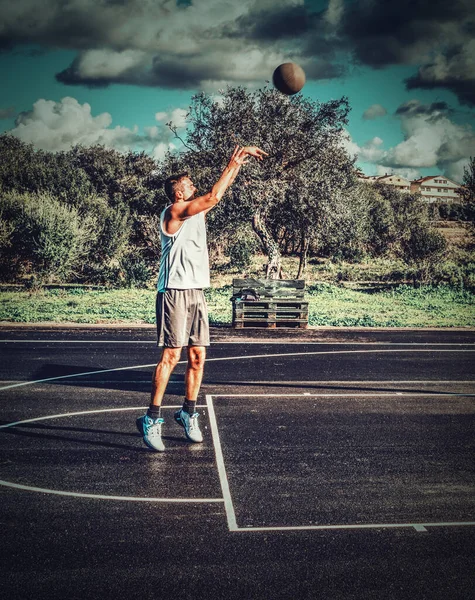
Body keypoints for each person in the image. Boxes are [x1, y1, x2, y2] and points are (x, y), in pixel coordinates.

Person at [137, 144, 268, 451]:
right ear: (178, 193)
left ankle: (188, 412)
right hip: (174, 292)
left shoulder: (194, 209)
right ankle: (151, 419)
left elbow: (215, 196)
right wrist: (231, 160)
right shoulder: (173, 212)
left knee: (198, 357)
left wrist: (237, 166)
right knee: (172, 356)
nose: (194, 187)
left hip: (196, 291)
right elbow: (212, 196)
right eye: (189, 185)